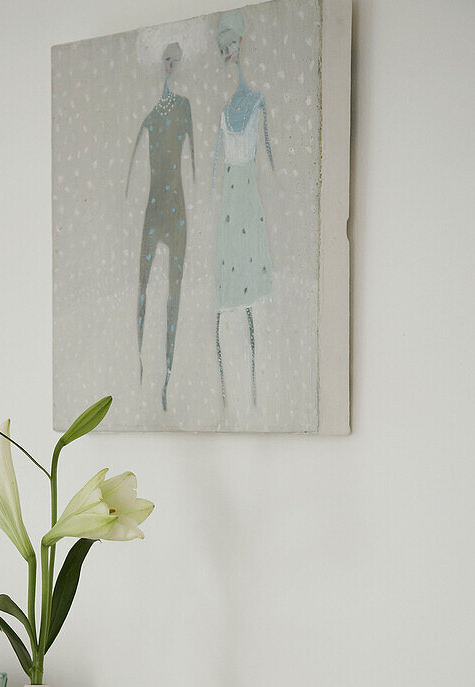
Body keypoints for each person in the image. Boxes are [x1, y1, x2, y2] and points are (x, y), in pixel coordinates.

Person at [126, 41, 195, 411]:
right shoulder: (151, 116)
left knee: (174, 290)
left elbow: (195, 169)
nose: (170, 65)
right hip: (154, 208)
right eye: (166, 60)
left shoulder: (184, 109)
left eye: (175, 60)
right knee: (143, 285)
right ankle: (139, 368)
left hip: (177, 207)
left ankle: (167, 378)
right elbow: (131, 176)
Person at [213, 9, 274, 407]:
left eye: (230, 45)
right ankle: (227, 398)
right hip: (229, 207)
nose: (227, 53)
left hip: (248, 203)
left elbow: (269, 157)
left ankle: (254, 395)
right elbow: (217, 168)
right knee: (224, 307)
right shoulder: (222, 113)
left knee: (251, 305)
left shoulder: (256, 103)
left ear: (242, 43)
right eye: (222, 48)